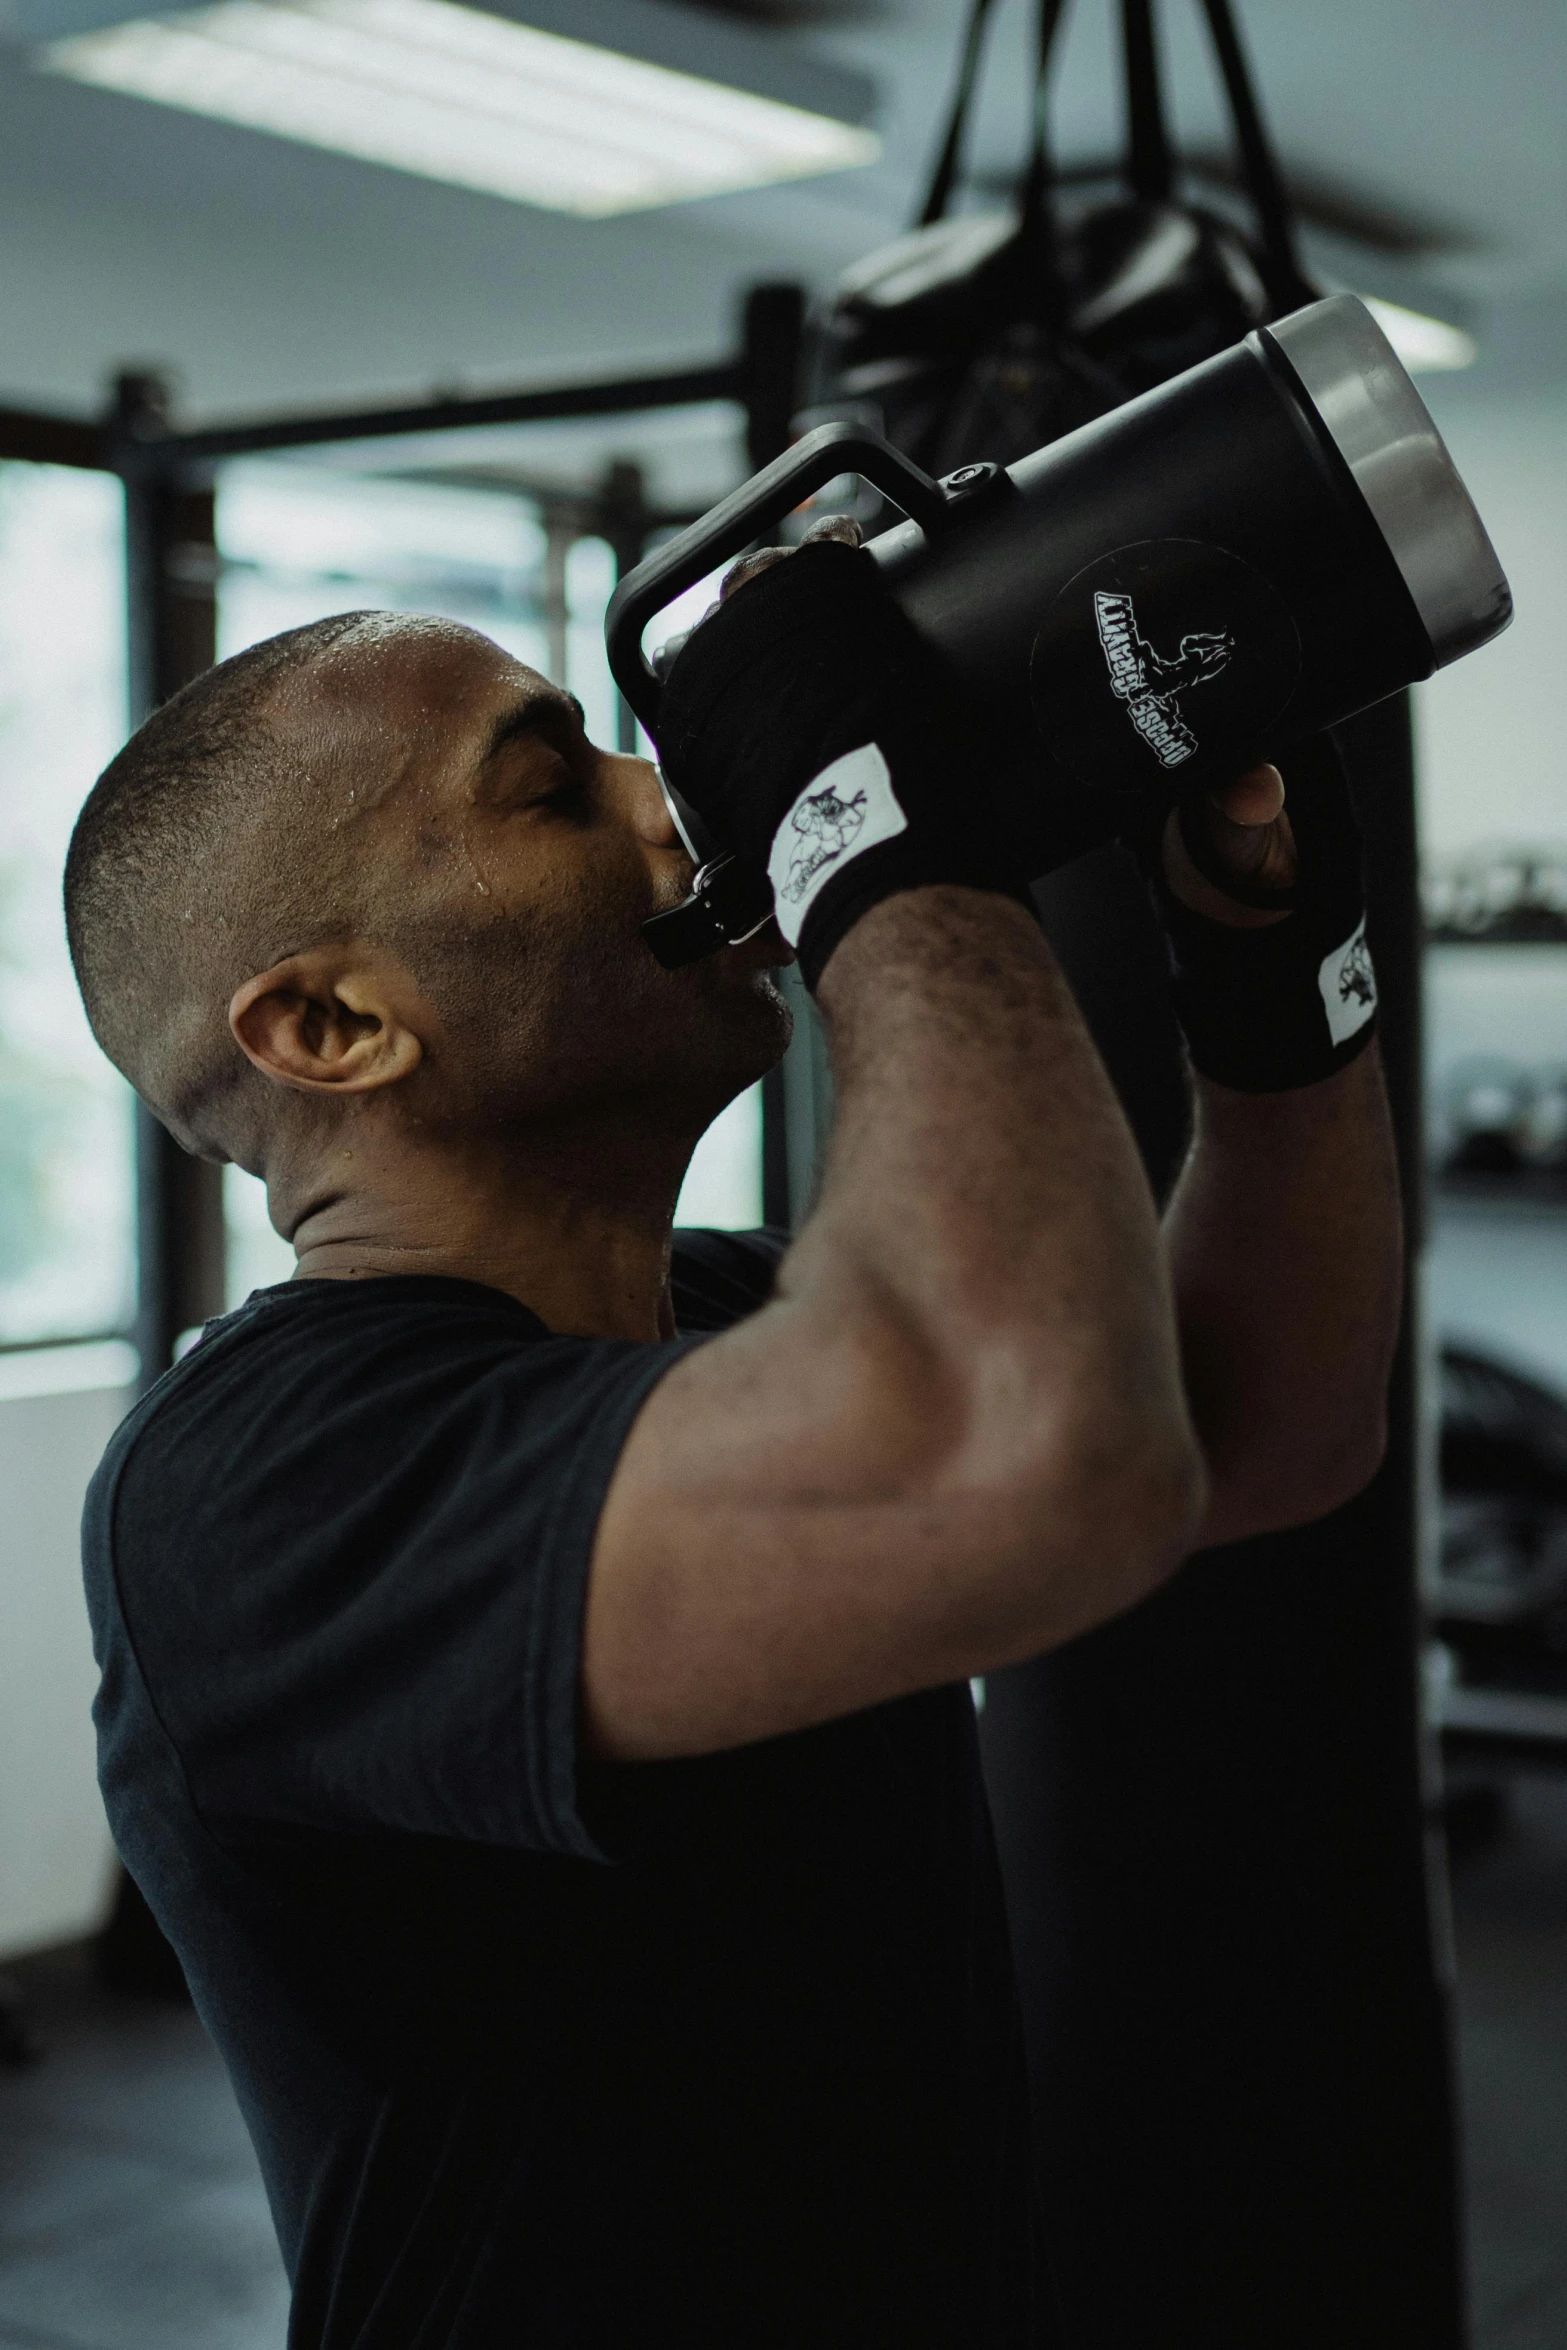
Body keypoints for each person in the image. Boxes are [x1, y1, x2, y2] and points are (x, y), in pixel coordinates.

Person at [65, 521, 1400, 2347]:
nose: (671, 803)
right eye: (554, 789)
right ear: (332, 1023)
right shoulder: (256, 1480)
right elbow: (1028, 1444)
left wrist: (1268, 960)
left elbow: (1266, 1421)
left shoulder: (737, 1315)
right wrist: (860, 821)